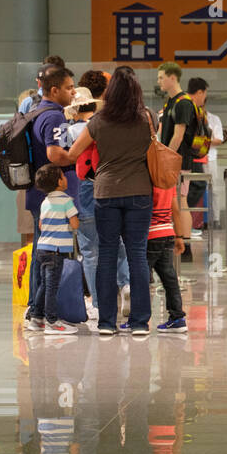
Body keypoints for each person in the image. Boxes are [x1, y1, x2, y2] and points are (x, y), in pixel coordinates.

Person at [67, 66, 154, 336]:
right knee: (137, 254)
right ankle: (139, 323)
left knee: (105, 254)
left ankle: (106, 323)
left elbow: (73, 153)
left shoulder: (98, 122)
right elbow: (154, 150)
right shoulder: (145, 119)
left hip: (105, 193)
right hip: (140, 191)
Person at [66, 82, 129, 316]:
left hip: (84, 188)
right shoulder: (107, 126)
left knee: (90, 250)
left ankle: (98, 304)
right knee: (117, 240)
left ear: (74, 110)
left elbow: (66, 157)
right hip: (110, 186)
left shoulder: (72, 131)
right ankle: (126, 284)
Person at [23, 66, 78, 310]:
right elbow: (55, 154)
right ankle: (40, 309)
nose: (73, 92)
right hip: (52, 196)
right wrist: (80, 156)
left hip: (40, 193)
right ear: (54, 90)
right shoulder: (55, 116)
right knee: (49, 257)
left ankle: (36, 305)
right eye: (69, 88)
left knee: (41, 251)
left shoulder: (37, 111)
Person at [24, 165, 80, 335]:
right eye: (63, 176)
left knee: (43, 285)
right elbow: (75, 223)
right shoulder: (66, 200)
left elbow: (41, 224)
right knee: (52, 287)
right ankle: (52, 321)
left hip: (42, 248)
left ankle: (36, 318)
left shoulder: (45, 202)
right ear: (58, 182)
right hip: (56, 251)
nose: (66, 179)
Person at [156, 62, 197, 264]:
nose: (159, 81)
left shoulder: (183, 103)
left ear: (173, 78)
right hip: (170, 159)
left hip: (178, 160)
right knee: (175, 200)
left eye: (162, 77)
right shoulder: (170, 102)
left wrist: (167, 156)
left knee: (181, 200)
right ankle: (178, 239)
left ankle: (186, 243)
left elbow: (178, 135)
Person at [147, 181, 188, 333]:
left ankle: (140, 319)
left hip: (150, 234)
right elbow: (175, 211)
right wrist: (179, 236)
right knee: (170, 277)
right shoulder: (167, 182)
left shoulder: (148, 180)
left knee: (142, 277)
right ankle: (177, 318)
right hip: (167, 233)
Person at [185, 77, 223, 232]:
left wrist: (203, 142)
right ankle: (185, 222)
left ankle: (214, 220)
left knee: (210, 189)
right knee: (193, 187)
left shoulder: (213, 119)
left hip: (207, 157)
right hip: (193, 157)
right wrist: (203, 141)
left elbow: (218, 139)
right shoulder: (188, 110)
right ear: (200, 93)